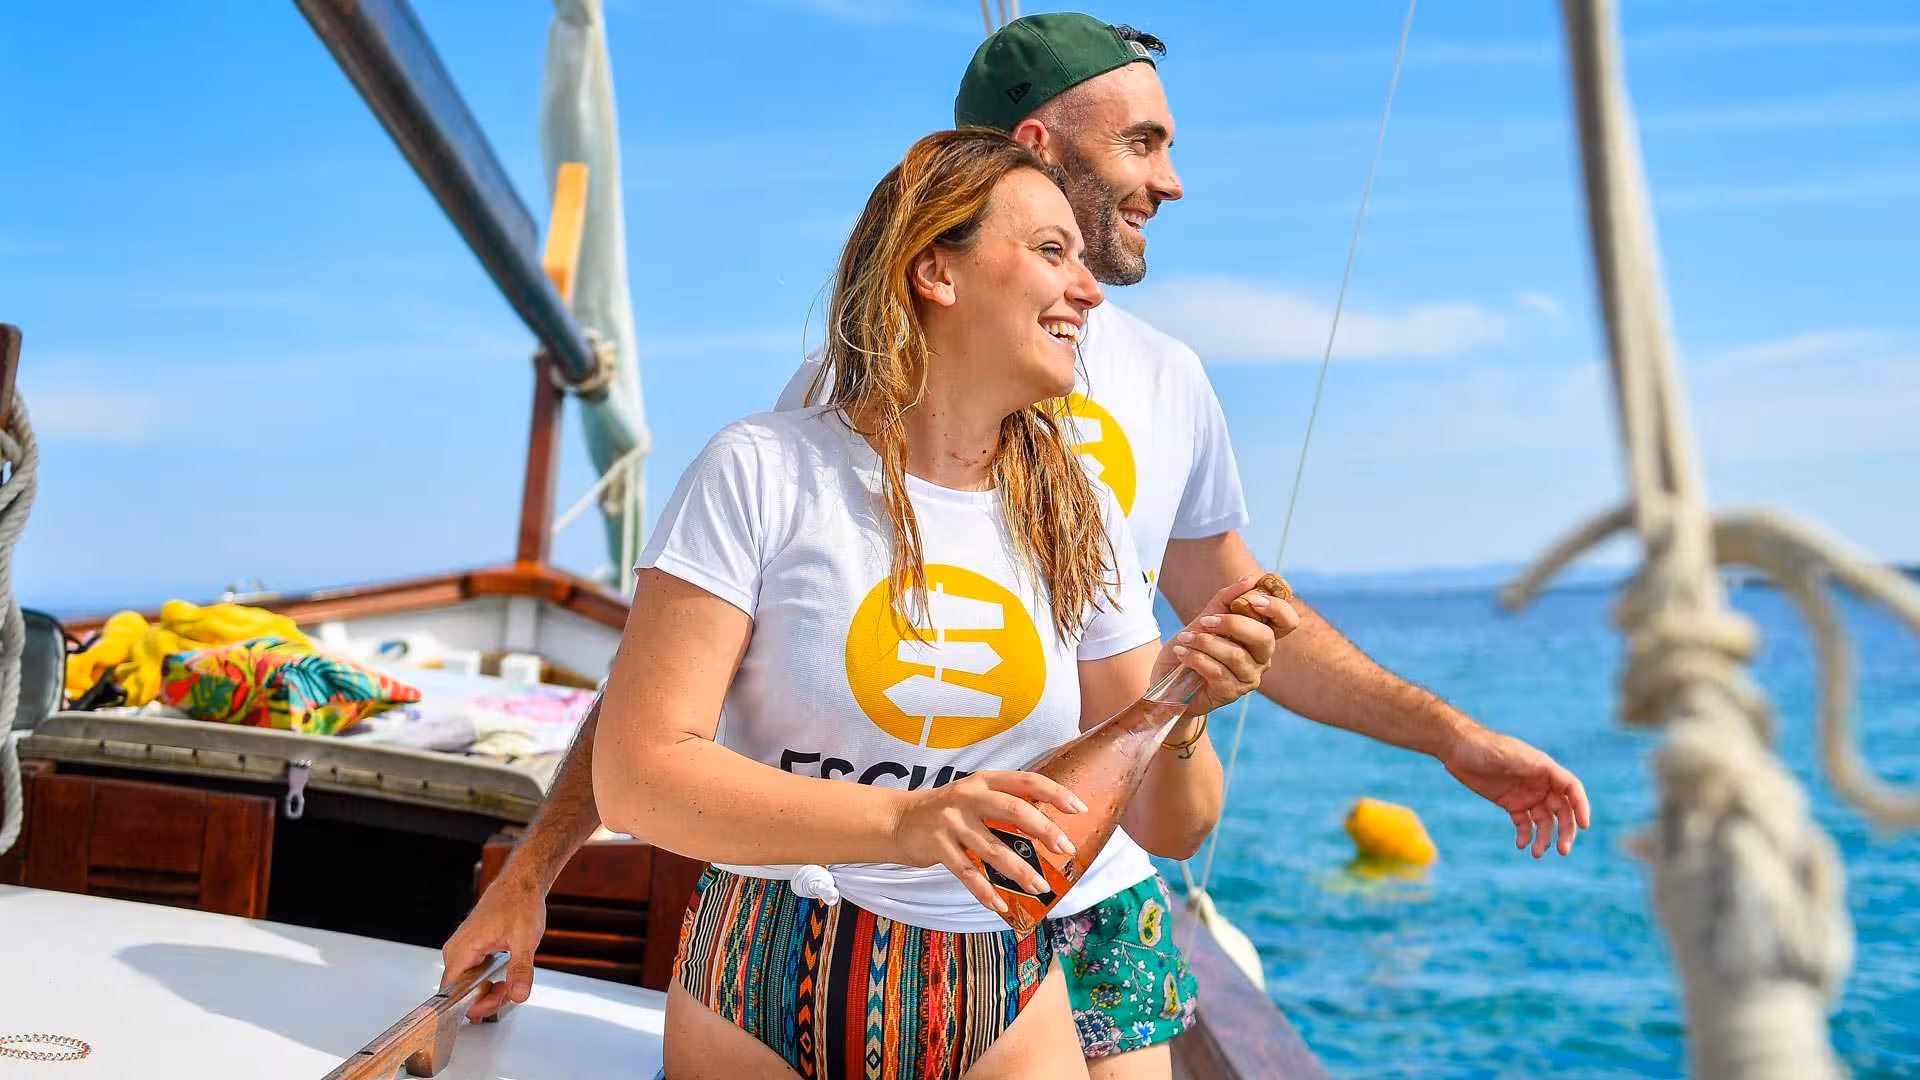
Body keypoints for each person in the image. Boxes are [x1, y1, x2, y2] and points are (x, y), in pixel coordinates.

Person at [443, 14, 1593, 1079]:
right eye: (1143, 142)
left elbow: (1228, 635)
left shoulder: (1153, 406)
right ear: (1036, 149)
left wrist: (1447, 736)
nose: (1170, 181)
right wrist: (534, 874)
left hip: (1076, 896)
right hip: (820, 908)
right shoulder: (800, 436)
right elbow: (692, 669)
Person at [586, 128, 1287, 1080]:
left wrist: (1181, 706)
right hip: (765, 958)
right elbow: (636, 775)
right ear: (936, 273)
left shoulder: (1079, 519)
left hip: (995, 985)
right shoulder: (762, 470)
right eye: (1052, 252)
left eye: (1086, 261)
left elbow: (1174, 825)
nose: (1089, 289)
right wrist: (907, 826)